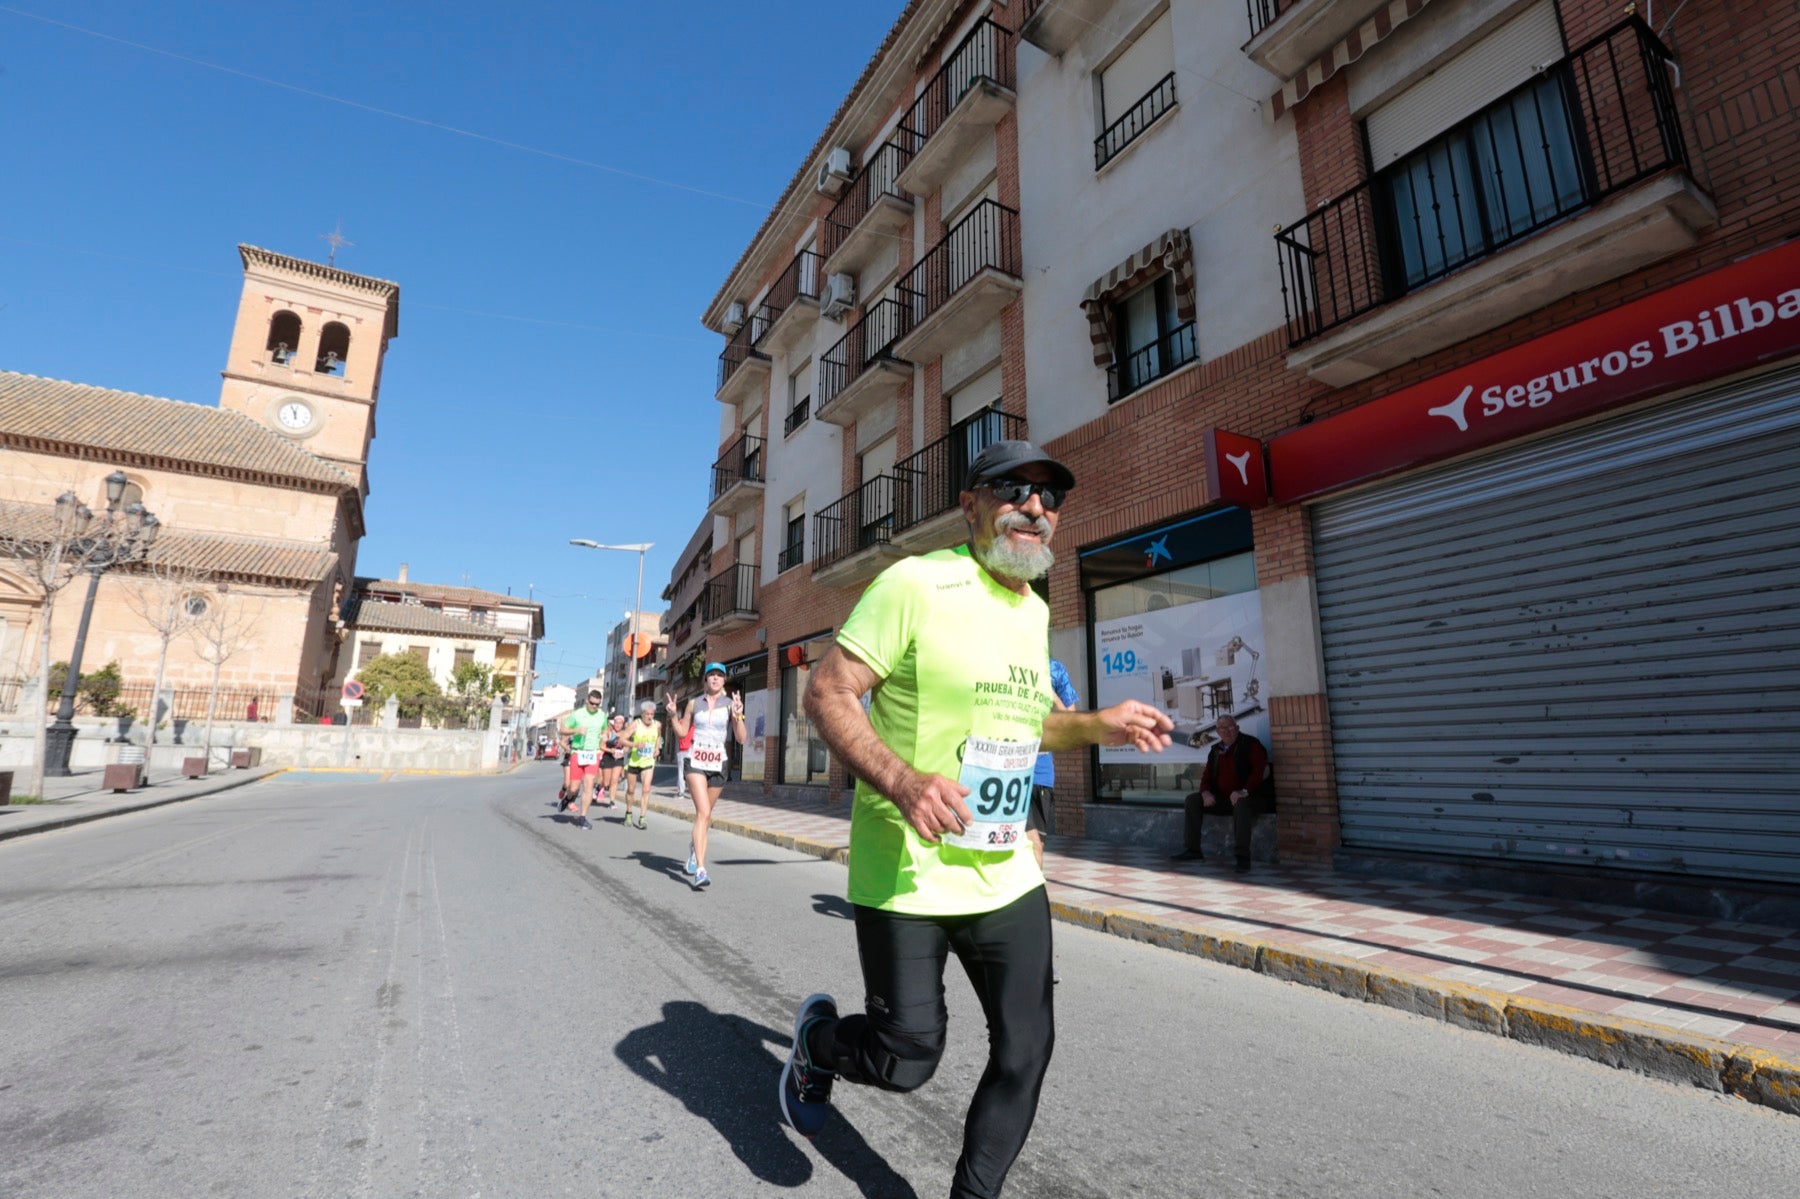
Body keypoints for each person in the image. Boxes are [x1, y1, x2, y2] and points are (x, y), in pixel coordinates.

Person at [777, 439, 1173, 1199]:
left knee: (1028, 1046)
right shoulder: (916, 584)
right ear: (970, 504)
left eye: (1049, 496)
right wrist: (902, 780)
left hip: (1003, 868)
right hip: (908, 867)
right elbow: (827, 692)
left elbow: (1025, 729)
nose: (1035, 506)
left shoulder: (1033, 611)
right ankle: (820, 1044)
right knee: (905, 1058)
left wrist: (1096, 724)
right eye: (1013, 487)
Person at [666, 665, 745, 891]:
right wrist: (673, 716)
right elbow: (682, 732)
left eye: (720, 675)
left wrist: (738, 715)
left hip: (719, 762)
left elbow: (741, 738)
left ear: (723, 680)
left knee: (706, 817)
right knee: (704, 813)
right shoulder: (693, 703)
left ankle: (694, 848)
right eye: (712, 675)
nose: (715, 678)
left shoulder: (731, 704)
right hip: (696, 760)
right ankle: (701, 869)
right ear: (706, 679)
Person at [1171, 714, 1273, 873]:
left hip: (1250, 798)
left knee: (1241, 804)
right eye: (1222, 728)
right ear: (1217, 732)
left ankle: (1243, 857)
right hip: (1224, 799)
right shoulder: (1216, 750)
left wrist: (1244, 791)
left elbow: (1259, 771)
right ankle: (1193, 850)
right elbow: (1207, 775)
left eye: (1230, 727)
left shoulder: (1251, 744)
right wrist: (1205, 793)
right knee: (1192, 800)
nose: (1227, 731)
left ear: (1237, 728)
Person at [558, 690, 608, 829]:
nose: (594, 706)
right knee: (573, 787)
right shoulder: (577, 714)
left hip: (593, 753)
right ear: (587, 700)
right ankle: (568, 798)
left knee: (589, 784)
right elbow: (562, 729)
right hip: (578, 752)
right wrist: (576, 731)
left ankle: (582, 817)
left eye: (597, 704)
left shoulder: (602, 716)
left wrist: (604, 736)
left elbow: (605, 730)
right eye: (592, 703)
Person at [623, 700, 661, 830]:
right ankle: (628, 813)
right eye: (647, 714)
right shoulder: (635, 724)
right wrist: (634, 745)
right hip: (634, 761)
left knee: (646, 789)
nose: (650, 717)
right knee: (631, 790)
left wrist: (657, 748)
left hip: (648, 761)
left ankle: (642, 817)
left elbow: (658, 737)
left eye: (652, 714)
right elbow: (622, 739)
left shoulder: (657, 725)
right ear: (642, 714)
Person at [598, 713, 628, 811]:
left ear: (623, 724)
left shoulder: (625, 734)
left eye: (620, 723)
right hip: (608, 757)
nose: (618, 725)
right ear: (613, 723)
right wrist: (611, 750)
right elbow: (601, 746)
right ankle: (599, 788)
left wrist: (625, 750)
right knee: (606, 782)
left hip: (618, 759)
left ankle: (612, 801)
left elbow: (627, 746)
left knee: (614, 780)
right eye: (616, 723)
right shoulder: (608, 732)